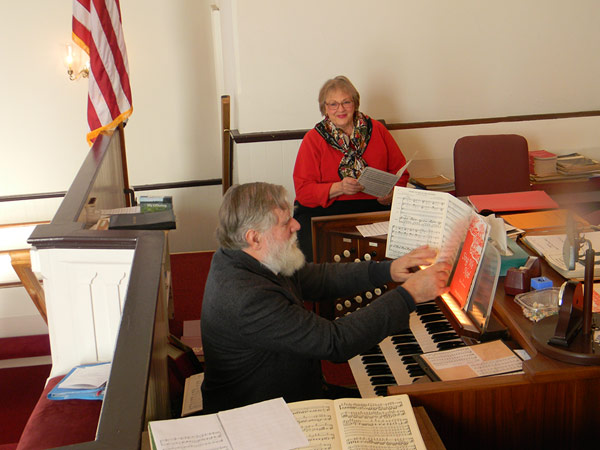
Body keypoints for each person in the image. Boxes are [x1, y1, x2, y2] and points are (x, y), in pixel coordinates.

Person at [200, 182, 450, 413]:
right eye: (286, 222)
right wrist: (409, 294)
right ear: (254, 238)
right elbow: (335, 342)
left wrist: (388, 270)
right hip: (263, 417)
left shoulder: (241, 256)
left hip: (288, 393)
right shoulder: (246, 297)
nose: (297, 225)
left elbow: (317, 278)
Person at [293, 75, 410, 261]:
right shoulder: (313, 139)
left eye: (346, 102)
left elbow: (401, 174)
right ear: (325, 108)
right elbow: (303, 192)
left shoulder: (377, 129)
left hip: (374, 207)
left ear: (355, 103)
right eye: (333, 104)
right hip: (326, 211)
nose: (340, 109)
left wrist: (392, 194)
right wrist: (338, 187)